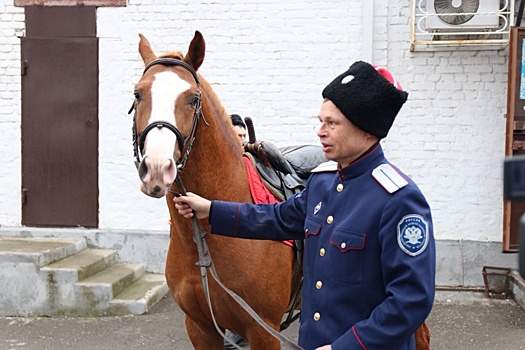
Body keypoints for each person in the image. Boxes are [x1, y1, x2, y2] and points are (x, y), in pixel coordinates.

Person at [174, 61, 436, 350]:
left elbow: (411, 300)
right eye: (321, 120)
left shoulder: (399, 199)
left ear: (366, 131)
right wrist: (212, 210)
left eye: (332, 123)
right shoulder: (322, 182)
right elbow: (278, 218)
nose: (320, 131)